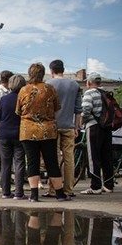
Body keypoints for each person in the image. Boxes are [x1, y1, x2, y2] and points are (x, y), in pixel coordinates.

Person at [16, 63, 70, 202]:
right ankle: (59, 193)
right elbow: (57, 107)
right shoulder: (49, 88)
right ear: (43, 74)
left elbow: (18, 111)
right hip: (48, 130)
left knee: (32, 162)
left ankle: (34, 195)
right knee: (51, 161)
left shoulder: (24, 90)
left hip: (28, 131)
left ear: (29, 74)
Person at [45, 59, 82, 197]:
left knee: (53, 158)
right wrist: (76, 126)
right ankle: (69, 189)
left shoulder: (48, 84)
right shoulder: (74, 84)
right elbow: (78, 109)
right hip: (69, 126)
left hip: (52, 126)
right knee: (69, 158)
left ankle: (54, 189)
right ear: (63, 69)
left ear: (51, 70)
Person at [80, 72, 115, 194]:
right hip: (107, 127)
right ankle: (109, 184)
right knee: (107, 156)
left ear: (89, 83)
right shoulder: (106, 93)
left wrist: (82, 122)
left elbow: (85, 110)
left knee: (93, 156)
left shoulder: (89, 93)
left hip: (94, 127)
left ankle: (95, 186)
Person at [0, 74, 27, 199]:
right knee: (19, 162)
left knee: (6, 163)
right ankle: (19, 192)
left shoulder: (4, 99)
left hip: (4, 134)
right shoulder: (23, 98)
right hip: (19, 133)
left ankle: (6, 192)